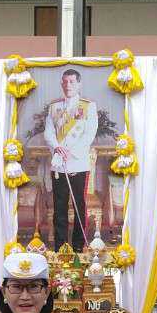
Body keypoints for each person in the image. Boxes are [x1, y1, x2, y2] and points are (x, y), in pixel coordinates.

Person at [44, 68, 98, 250]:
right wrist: (57, 147)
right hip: (59, 165)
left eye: (72, 82)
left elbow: (89, 134)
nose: (68, 85)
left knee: (78, 205)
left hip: (78, 164)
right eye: (65, 82)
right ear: (61, 84)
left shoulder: (88, 106)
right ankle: (60, 246)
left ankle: (78, 246)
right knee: (59, 206)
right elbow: (48, 133)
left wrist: (70, 151)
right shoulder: (54, 107)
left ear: (79, 84)